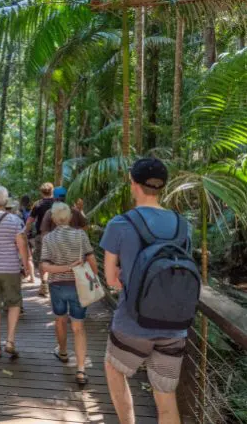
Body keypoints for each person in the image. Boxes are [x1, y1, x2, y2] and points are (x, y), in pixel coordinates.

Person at [100, 158, 190, 424]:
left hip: (133, 322)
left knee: (114, 370)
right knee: (166, 397)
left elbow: (111, 279)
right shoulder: (182, 225)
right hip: (175, 325)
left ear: (133, 183)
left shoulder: (120, 223)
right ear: (162, 186)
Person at [41, 203, 98, 386]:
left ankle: (63, 351)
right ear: (70, 217)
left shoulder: (48, 238)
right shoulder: (80, 235)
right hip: (78, 285)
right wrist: (94, 278)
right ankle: (81, 370)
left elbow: (45, 266)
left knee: (60, 320)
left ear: (53, 218)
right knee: (78, 327)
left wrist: (63, 269)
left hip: (57, 285)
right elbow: (90, 257)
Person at [0, 186, 32, 359]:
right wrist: (26, 266)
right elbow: (21, 245)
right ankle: (10, 341)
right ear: (6, 202)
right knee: (14, 303)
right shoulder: (15, 221)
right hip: (10, 267)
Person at [24, 182, 56, 296]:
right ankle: (56, 285)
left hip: (42, 236)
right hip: (58, 235)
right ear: (52, 191)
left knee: (44, 260)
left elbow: (30, 221)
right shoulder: (59, 203)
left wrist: (24, 233)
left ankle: (44, 285)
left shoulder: (38, 204)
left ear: (41, 192)